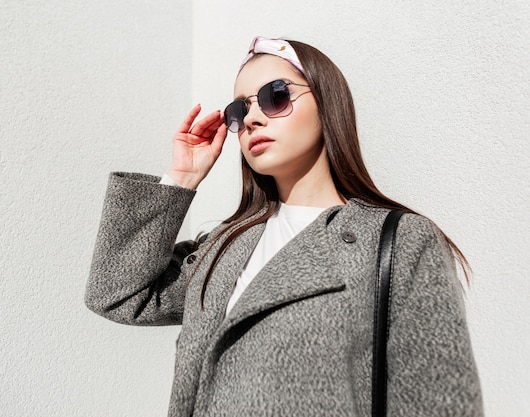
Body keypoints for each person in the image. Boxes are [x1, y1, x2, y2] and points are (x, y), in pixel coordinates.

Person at [85, 36, 483, 416]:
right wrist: (181, 179)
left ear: (327, 104)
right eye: (238, 111)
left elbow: (439, 401)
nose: (253, 118)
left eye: (275, 96)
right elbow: (118, 295)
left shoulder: (399, 241)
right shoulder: (226, 245)